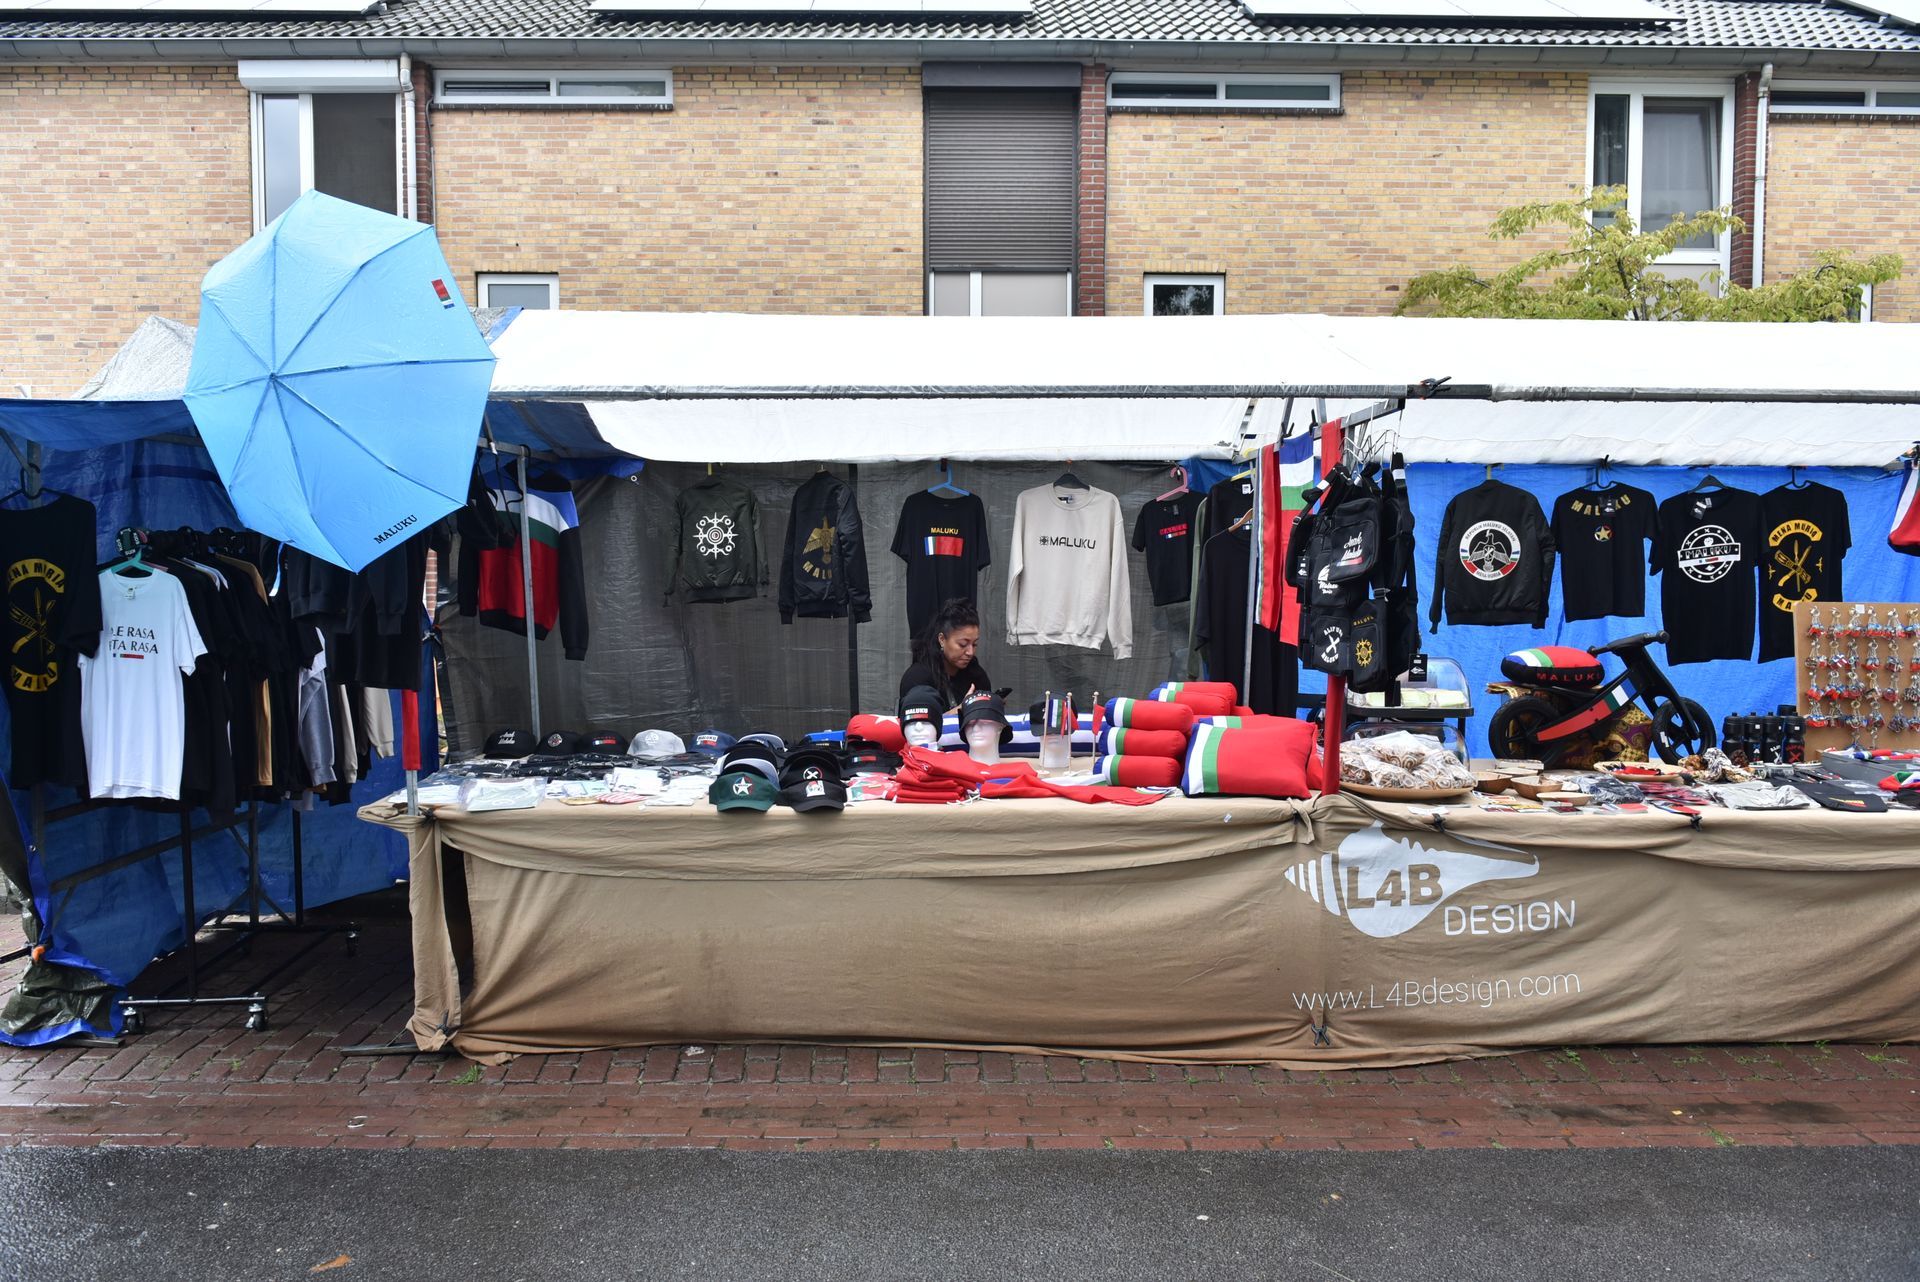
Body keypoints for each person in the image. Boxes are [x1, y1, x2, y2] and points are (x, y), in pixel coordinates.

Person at [899, 597, 992, 713]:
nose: (970, 652)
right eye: (963, 644)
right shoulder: (917, 678)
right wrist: (962, 710)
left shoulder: (975, 673)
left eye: (974, 644)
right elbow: (918, 726)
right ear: (942, 639)